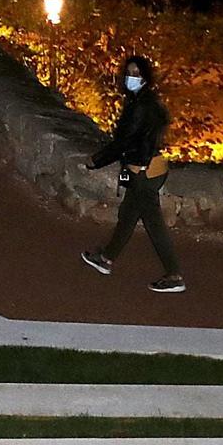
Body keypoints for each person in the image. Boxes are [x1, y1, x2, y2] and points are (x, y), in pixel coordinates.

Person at [79, 55, 184, 293]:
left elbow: (124, 142)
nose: (131, 77)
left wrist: (96, 160)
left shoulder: (141, 106)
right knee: (128, 215)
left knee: (153, 224)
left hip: (144, 172)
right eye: (130, 73)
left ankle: (175, 275)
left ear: (145, 77)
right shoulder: (147, 102)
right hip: (145, 169)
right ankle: (106, 258)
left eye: (137, 74)